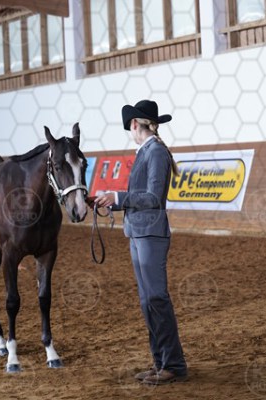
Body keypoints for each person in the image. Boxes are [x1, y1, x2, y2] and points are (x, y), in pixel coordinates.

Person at [95, 100, 187, 385]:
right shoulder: (149, 151)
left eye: (130, 127)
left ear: (135, 124)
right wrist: (112, 201)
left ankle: (173, 365)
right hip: (139, 233)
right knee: (149, 301)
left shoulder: (155, 152)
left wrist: (119, 198)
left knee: (157, 298)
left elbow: (153, 197)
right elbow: (141, 195)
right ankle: (160, 362)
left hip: (150, 235)